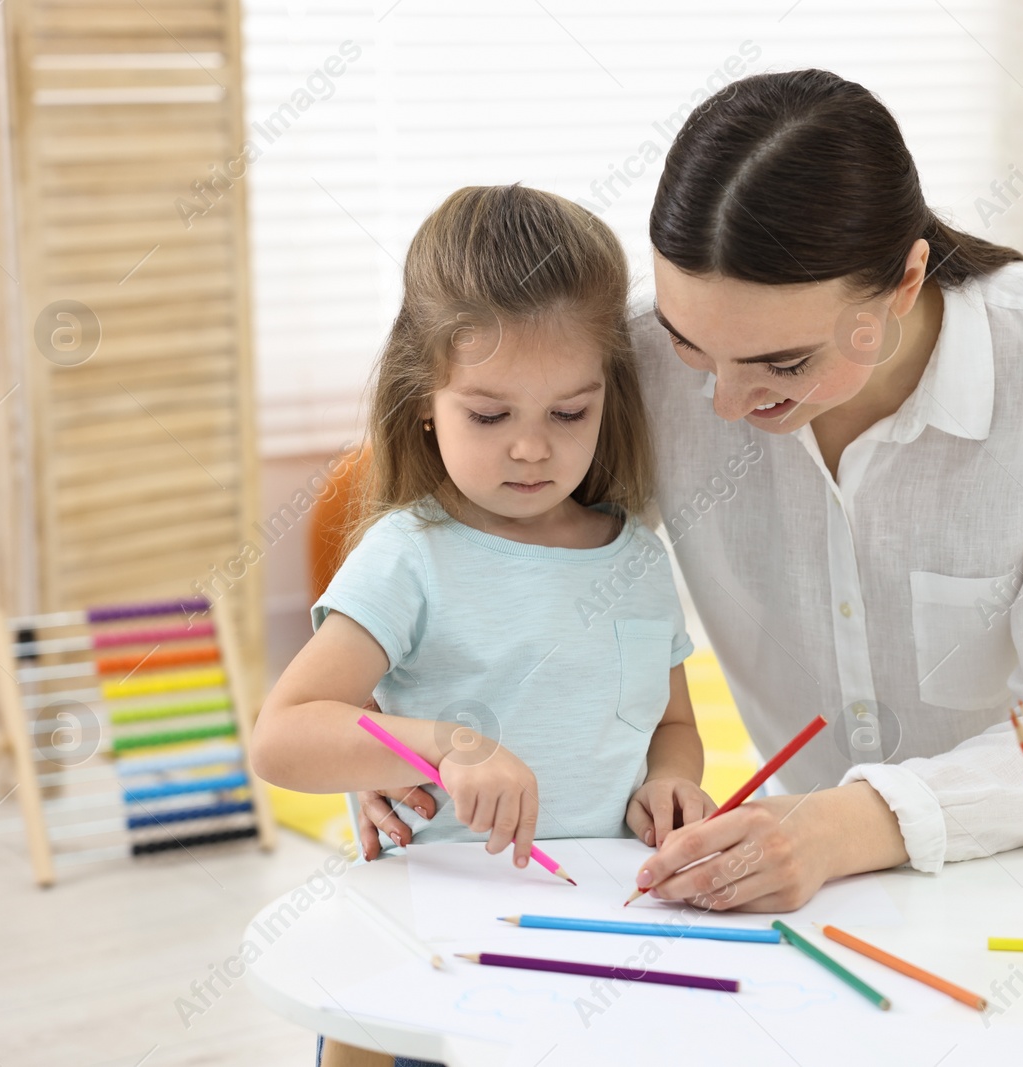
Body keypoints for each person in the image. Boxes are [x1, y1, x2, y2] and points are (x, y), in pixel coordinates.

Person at [355, 69, 1023, 919]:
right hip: (818, 852)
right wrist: (390, 745)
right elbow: (505, 562)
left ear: (906, 283)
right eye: (694, 346)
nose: (724, 403)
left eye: (785, 364)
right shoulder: (644, 360)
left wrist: (845, 826)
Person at [249, 186, 716, 1067]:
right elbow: (283, 737)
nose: (532, 449)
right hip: (433, 943)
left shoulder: (638, 559)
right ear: (425, 397)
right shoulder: (410, 554)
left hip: (595, 942)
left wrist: (671, 781)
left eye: (569, 412)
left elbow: (675, 724)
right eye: (490, 415)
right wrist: (445, 746)